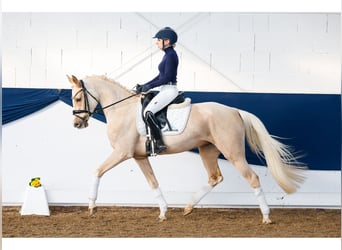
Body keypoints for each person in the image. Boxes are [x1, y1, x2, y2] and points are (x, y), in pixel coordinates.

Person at [135, 27, 179, 153]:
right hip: (165, 89)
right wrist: (145, 85)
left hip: (169, 89)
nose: (157, 42)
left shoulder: (171, 55)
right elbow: (160, 76)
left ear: (167, 41)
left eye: (159, 40)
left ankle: (159, 143)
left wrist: (150, 86)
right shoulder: (167, 55)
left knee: (148, 112)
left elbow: (167, 78)